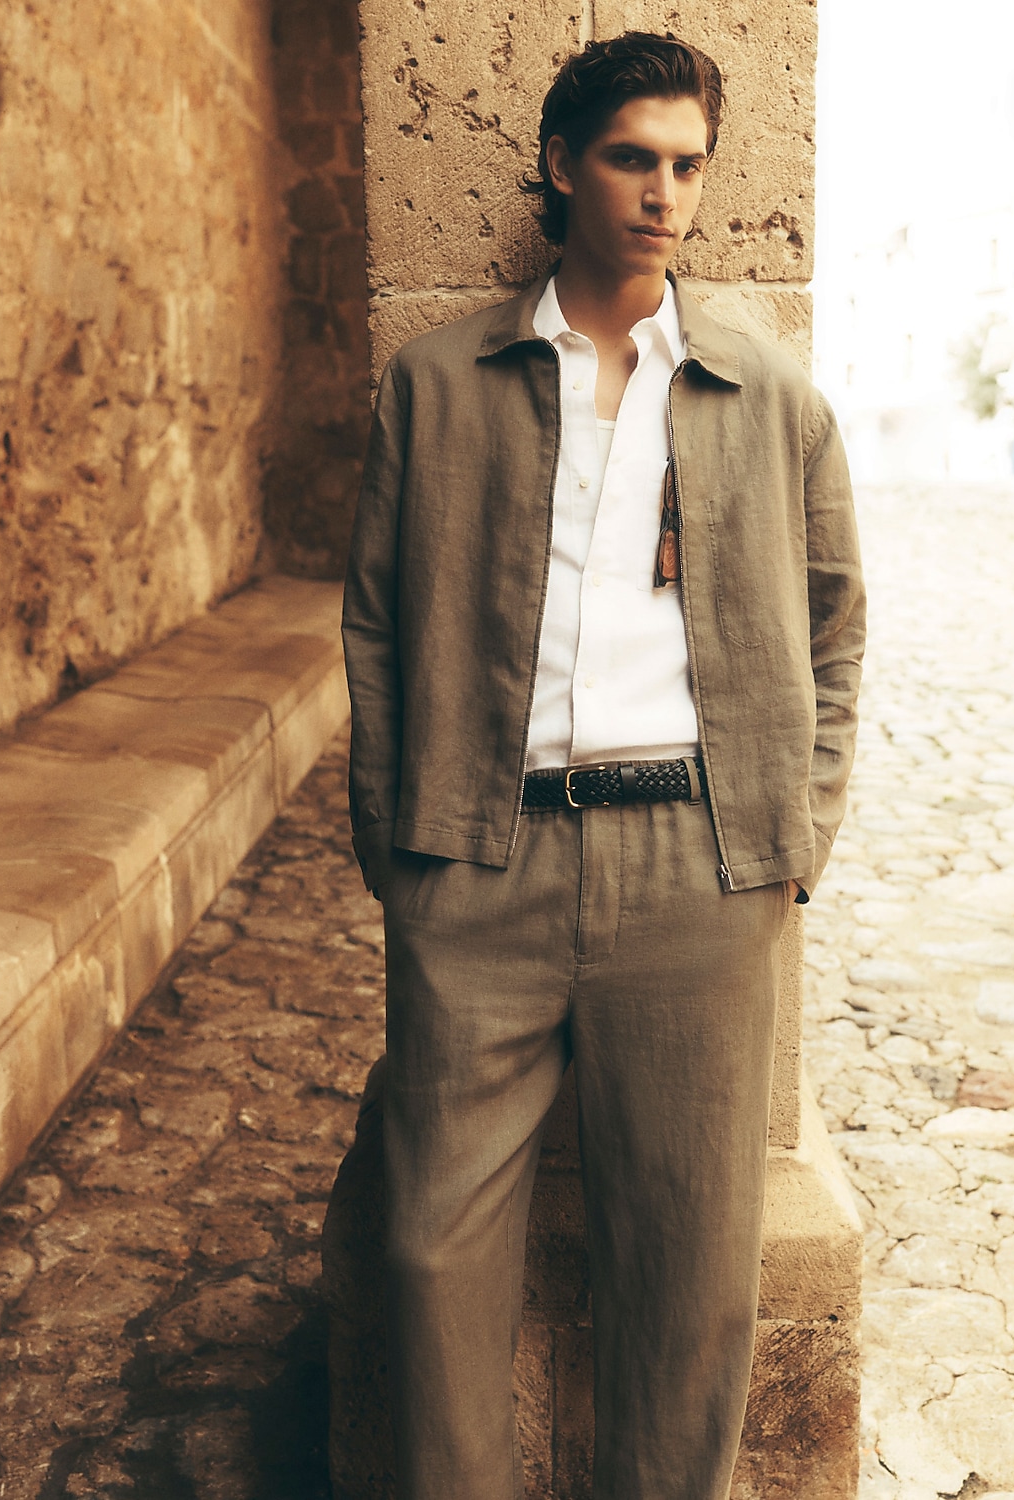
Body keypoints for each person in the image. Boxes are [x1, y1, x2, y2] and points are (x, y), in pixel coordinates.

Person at [340, 30, 864, 1500]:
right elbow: (374, 623)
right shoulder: (437, 383)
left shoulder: (770, 398)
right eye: (633, 158)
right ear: (564, 165)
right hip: (479, 865)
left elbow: (837, 626)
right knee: (430, 1245)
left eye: (687, 165)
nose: (663, 194)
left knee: (688, 1272)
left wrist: (792, 835)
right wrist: (404, 851)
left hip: (698, 872)